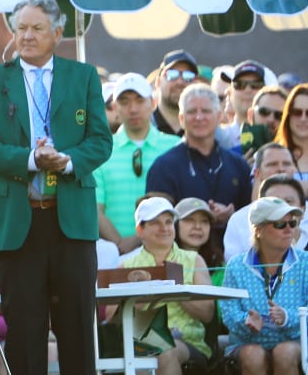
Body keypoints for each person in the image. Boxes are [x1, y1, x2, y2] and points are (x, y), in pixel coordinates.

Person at [0, 0, 113, 375]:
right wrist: (32, 159)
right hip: (18, 221)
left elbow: (101, 141)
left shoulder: (83, 76)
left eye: (36, 28)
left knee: (78, 334)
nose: (26, 36)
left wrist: (66, 162)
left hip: (70, 220)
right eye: (20, 28)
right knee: (25, 336)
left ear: (58, 33)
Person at [116, 197, 214, 375]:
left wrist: (174, 289)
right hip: (141, 340)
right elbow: (111, 317)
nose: (164, 228)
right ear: (140, 230)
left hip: (187, 341)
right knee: (143, 348)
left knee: (163, 349)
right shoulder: (126, 266)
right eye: (155, 223)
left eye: (169, 222)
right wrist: (139, 296)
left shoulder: (193, 259)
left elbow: (207, 312)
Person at [220, 196, 308, 375]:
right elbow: (228, 311)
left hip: (293, 341)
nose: (289, 229)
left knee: (285, 352)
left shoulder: (305, 262)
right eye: (280, 224)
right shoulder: (235, 266)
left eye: (292, 223)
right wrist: (246, 322)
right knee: (252, 354)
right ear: (258, 229)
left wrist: (288, 317)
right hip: (247, 342)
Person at [147, 83, 253, 255]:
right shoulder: (163, 166)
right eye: (191, 112)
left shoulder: (238, 164)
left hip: (231, 258)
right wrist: (199, 216)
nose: (198, 117)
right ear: (181, 118)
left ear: (219, 116)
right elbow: (156, 221)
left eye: (205, 111)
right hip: (180, 262)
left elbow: (250, 215)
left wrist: (233, 215)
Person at [95, 72, 179, 254]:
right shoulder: (100, 151)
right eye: (124, 102)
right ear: (115, 107)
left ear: (153, 103)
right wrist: (120, 245)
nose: (133, 109)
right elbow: (96, 209)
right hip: (117, 254)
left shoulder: (175, 145)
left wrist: (137, 240)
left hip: (167, 251)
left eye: (140, 100)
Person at [223, 144, 300, 261]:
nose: (280, 169)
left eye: (286, 164)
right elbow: (233, 267)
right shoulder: (238, 220)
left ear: (294, 170)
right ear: (257, 173)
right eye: (272, 164)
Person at [152, 49, 199, 136]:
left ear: (196, 83)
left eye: (188, 76)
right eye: (172, 74)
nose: (180, 82)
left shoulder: (203, 129)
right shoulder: (144, 127)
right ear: (158, 82)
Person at [275, 83, 308, 193]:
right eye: (297, 112)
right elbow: (258, 199)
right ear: (287, 116)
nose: (303, 118)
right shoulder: (270, 154)